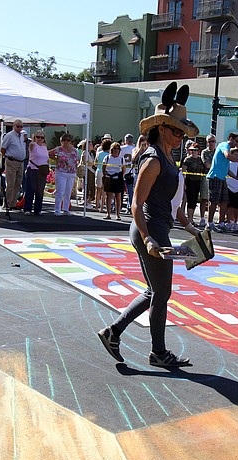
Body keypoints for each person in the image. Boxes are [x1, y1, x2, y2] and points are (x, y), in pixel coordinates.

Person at [97, 82, 200, 368]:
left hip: (157, 228)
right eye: (176, 130)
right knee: (162, 293)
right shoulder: (154, 159)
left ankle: (113, 332)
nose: (180, 136)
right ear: (162, 128)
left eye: (183, 131)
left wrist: (190, 227)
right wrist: (149, 238)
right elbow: (135, 204)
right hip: (150, 230)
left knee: (154, 291)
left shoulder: (168, 157)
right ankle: (158, 352)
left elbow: (172, 202)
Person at [205, 132, 238, 232]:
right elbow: (227, 156)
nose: (237, 144)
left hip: (222, 178)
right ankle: (210, 223)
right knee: (214, 200)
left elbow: (227, 168)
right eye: (236, 141)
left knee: (224, 201)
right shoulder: (224, 145)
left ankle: (222, 222)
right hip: (215, 176)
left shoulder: (228, 149)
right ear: (231, 139)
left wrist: (236, 177)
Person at [0, 120, 27, 211]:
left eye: (21, 127)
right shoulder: (9, 135)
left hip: (21, 162)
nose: (19, 128)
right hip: (12, 161)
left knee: (18, 183)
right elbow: (3, 148)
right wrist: (7, 157)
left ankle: (13, 203)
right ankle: (7, 203)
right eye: (18, 126)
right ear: (14, 126)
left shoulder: (22, 136)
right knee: (10, 183)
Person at [50, 133, 78, 216]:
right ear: (61, 141)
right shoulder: (58, 149)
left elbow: (77, 160)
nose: (66, 142)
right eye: (64, 140)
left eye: (68, 140)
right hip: (61, 172)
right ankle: (57, 209)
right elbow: (49, 153)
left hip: (71, 173)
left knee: (68, 192)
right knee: (60, 191)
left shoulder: (74, 151)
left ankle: (66, 209)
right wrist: (56, 159)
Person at [24, 129, 50, 214]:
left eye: (41, 137)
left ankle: (38, 209)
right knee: (30, 189)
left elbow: (47, 158)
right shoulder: (33, 145)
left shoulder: (44, 147)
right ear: (35, 137)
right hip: (33, 169)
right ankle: (27, 208)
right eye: (38, 137)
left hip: (42, 171)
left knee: (40, 190)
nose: (40, 139)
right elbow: (29, 146)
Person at [182, 142, 206, 226]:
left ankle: (191, 219)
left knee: (195, 200)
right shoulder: (187, 160)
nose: (193, 152)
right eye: (192, 150)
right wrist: (184, 184)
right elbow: (183, 172)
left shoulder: (200, 159)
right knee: (190, 200)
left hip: (198, 182)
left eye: (195, 150)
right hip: (189, 181)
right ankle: (190, 220)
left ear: (198, 151)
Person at [102, 142, 125, 220]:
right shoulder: (107, 158)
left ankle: (118, 214)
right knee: (109, 196)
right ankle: (108, 213)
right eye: (114, 149)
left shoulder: (121, 159)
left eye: (117, 149)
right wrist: (106, 175)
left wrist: (119, 176)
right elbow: (103, 168)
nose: (115, 150)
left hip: (118, 179)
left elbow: (123, 169)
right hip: (109, 178)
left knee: (118, 197)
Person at [120, 133, 136, 213]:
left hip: (122, 171)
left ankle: (119, 206)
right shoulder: (135, 148)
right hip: (131, 171)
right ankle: (129, 207)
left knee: (121, 190)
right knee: (130, 191)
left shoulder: (121, 148)